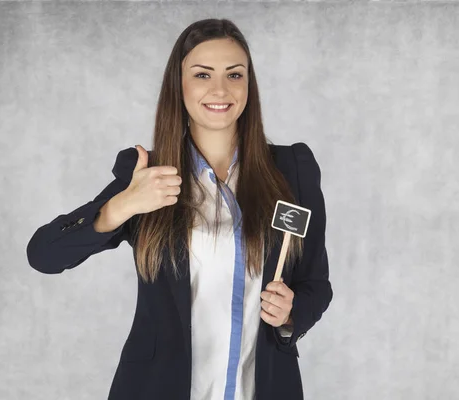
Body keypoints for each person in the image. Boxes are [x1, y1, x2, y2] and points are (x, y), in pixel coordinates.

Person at [26, 18, 332, 400]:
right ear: (179, 86)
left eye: (234, 75)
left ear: (249, 85)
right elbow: (44, 255)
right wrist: (123, 205)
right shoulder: (146, 174)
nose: (220, 89)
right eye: (202, 75)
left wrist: (291, 314)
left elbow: (316, 285)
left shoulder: (292, 169)